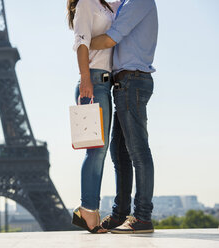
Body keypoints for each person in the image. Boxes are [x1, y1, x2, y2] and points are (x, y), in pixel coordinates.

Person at [89, 0, 158, 234]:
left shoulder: (139, 1)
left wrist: (81, 43)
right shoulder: (125, 3)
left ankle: (142, 217)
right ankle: (121, 214)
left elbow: (110, 39)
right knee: (119, 153)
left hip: (132, 82)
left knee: (138, 151)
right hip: (123, 83)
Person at [67, 0, 121, 233]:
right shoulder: (87, 3)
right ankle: (88, 208)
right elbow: (81, 41)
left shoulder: (105, 5)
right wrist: (85, 78)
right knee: (96, 150)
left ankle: (91, 209)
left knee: (100, 150)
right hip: (94, 82)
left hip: (106, 83)